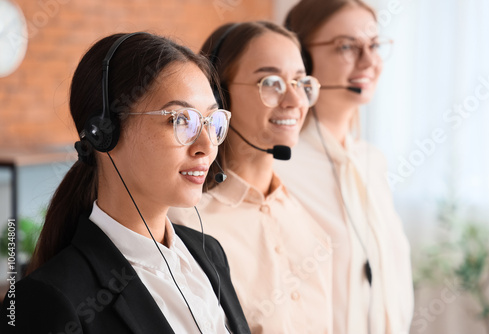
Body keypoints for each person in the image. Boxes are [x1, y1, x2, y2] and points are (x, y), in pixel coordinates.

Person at [1, 32, 250, 334]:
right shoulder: (50, 299)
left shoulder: (208, 253)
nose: (206, 145)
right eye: (180, 120)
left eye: (212, 121)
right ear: (104, 133)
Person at [168, 21, 334, 333]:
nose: (295, 101)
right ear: (219, 95)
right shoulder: (184, 223)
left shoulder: (305, 216)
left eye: (300, 83)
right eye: (271, 82)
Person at [274, 1, 414, 333]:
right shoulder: (278, 166)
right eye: (347, 47)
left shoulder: (371, 160)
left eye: (375, 46)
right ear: (302, 60)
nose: (369, 62)